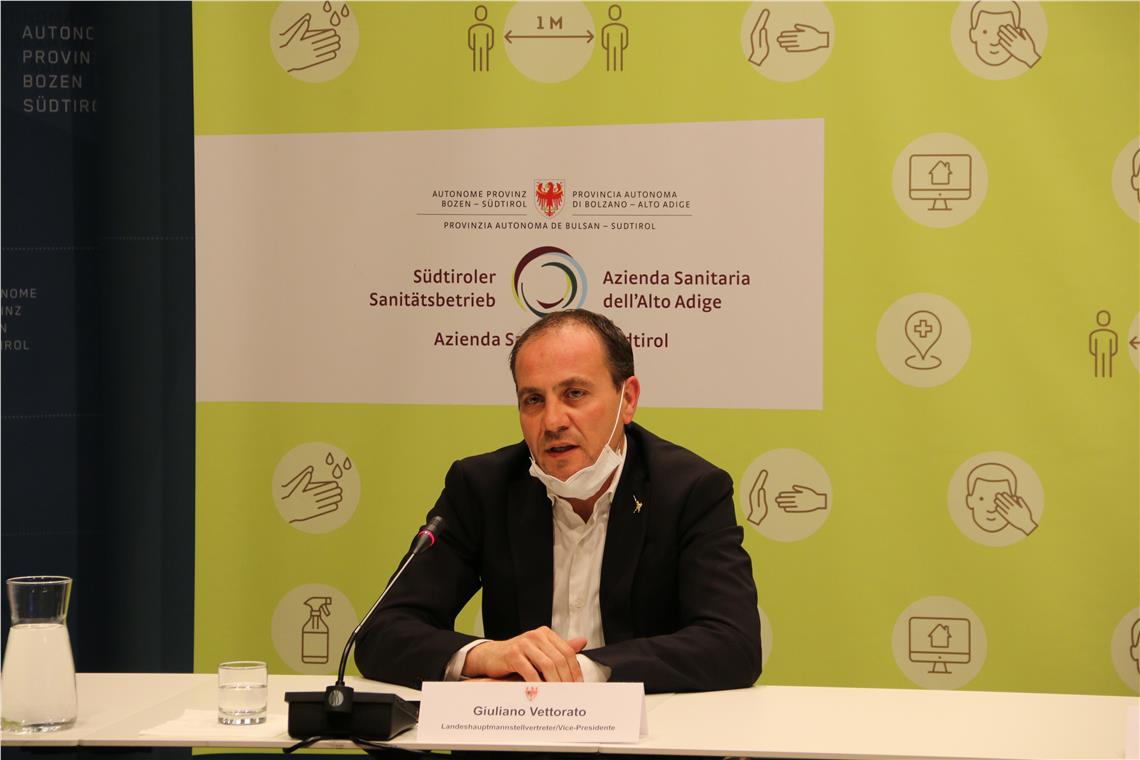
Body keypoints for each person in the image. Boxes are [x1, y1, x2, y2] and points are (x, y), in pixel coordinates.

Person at [355, 309, 761, 693]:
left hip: (650, 731)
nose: (552, 421)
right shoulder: (482, 488)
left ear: (628, 399)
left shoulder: (690, 490)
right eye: (533, 400)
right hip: (516, 730)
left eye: (574, 393)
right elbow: (382, 631)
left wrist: (584, 670)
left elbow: (733, 643)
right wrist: (485, 655)